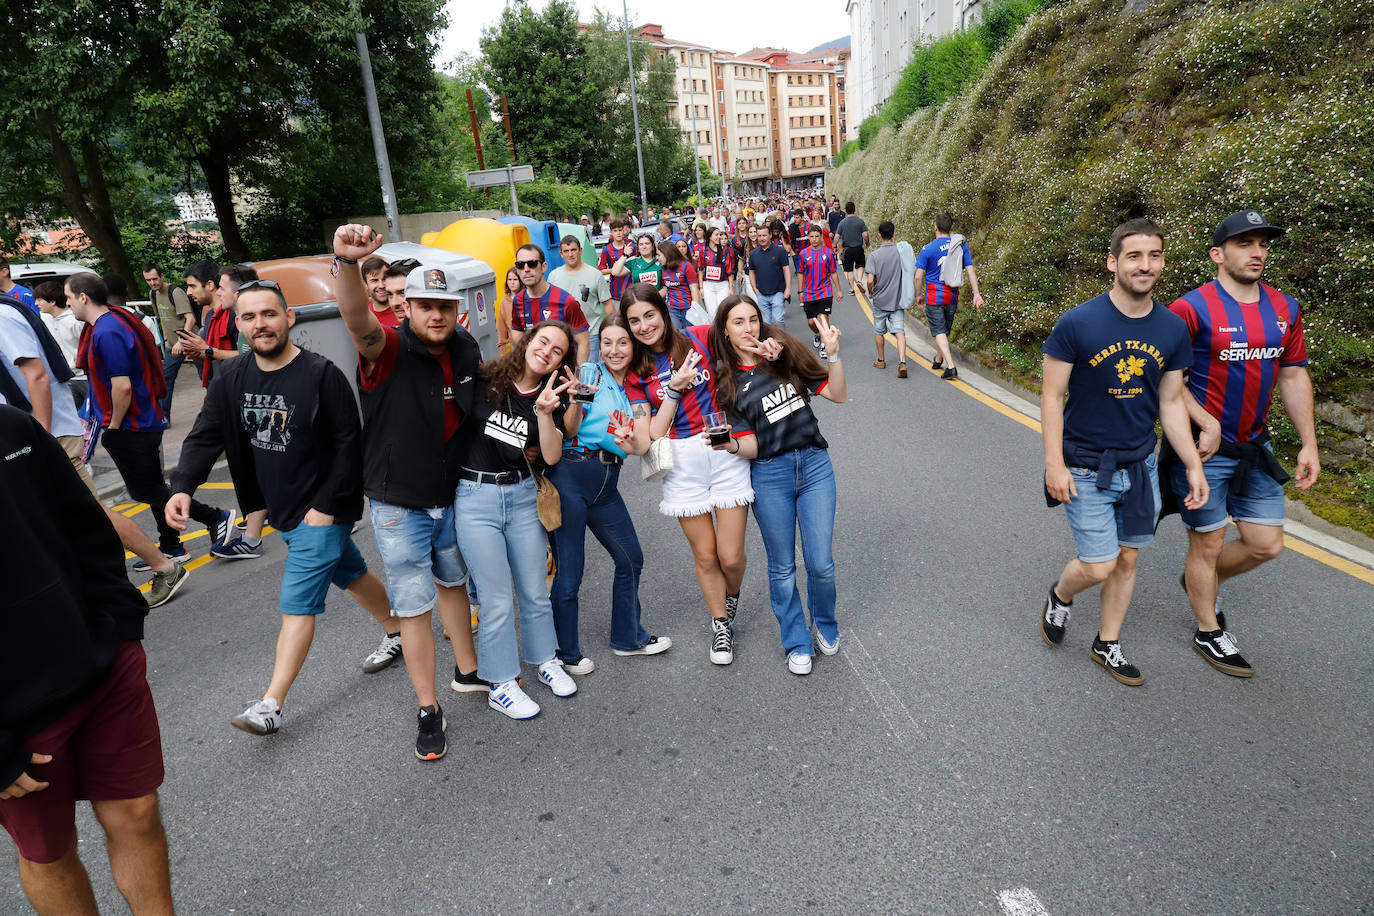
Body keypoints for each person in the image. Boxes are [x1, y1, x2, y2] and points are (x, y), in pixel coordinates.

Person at [167, 278, 395, 738]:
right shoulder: (233, 377)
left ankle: (270, 704)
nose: (260, 324)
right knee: (349, 571)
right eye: (249, 317)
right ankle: (400, 629)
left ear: (288, 318)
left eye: (269, 314)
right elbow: (205, 435)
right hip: (282, 509)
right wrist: (184, 486)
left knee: (296, 604)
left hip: (321, 511)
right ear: (237, 325)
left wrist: (327, 508)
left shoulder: (320, 374)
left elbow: (349, 444)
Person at [0, 405, 175, 916]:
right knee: (50, 853)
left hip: (103, 664)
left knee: (138, 814)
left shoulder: (11, 426)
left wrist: (121, 626)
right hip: (15, 716)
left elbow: (84, 520)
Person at [331, 227, 486, 756]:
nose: (435, 315)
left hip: (453, 495)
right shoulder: (388, 347)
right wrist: (346, 264)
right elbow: (357, 322)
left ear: (455, 308)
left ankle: (468, 672)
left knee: (453, 583)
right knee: (415, 606)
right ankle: (428, 707)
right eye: (425, 305)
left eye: (444, 305)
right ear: (407, 309)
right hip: (399, 503)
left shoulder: (464, 348)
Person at [1038, 218, 1207, 687]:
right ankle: (1061, 595)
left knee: (1128, 560)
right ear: (1113, 262)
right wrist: (1054, 463)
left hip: (1141, 465)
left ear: (1163, 263)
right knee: (1098, 564)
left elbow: (1171, 403)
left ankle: (1106, 642)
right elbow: (1052, 397)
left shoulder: (1172, 328)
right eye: (1134, 256)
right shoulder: (1077, 323)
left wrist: (1192, 463)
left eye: (1154, 256)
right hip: (1086, 466)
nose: (1144, 265)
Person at [1165, 209, 1320, 678]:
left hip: (1257, 447)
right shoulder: (1189, 309)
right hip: (1204, 452)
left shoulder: (1284, 308)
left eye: (1263, 244)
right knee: (1207, 544)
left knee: (1265, 544)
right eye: (1244, 244)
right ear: (1218, 254)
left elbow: (1293, 375)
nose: (1257, 253)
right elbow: (1168, 379)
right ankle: (1207, 629)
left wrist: (1309, 442)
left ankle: (1200, 584)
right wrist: (1203, 419)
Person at [708, 297, 846, 675]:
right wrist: (732, 445)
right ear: (725, 331)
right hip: (770, 474)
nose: (749, 328)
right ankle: (796, 640)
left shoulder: (783, 352)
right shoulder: (728, 384)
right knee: (783, 566)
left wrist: (833, 356)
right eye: (738, 322)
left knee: (821, 564)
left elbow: (837, 394)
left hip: (815, 466)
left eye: (753, 319)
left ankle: (826, 624)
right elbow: (752, 444)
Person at [622, 283, 756, 666]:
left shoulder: (699, 338)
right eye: (635, 321)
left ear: (663, 312)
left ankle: (730, 596)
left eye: (649, 315)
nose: (644, 326)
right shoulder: (637, 372)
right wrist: (674, 391)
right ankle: (720, 625)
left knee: (730, 557)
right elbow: (651, 434)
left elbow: (742, 342)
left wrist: (766, 347)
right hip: (681, 461)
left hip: (723, 448)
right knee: (705, 554)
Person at [455, 320, 581, 720]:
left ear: (561, 362)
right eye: (543, 341)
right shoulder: (485, 377)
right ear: (528, 341)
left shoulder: (550, 398)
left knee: (533, 589)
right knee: (494, 599)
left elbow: (552, 455)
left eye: (557, 350)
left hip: (523, 496)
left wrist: (545, 413)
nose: (546, 351)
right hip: (476, 497)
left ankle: (545, 659)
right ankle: (501, 683)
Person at [66, 273, 235, 566]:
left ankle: (214, 516)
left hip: (131, 423)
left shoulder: (106, 331)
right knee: (153, 485)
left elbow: (122, 386)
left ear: (83, 297)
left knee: (145, 489)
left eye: (68, 298)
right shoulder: (114, 321)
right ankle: (171, 544)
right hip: (142, 420)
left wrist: (114, 426)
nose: (68, 304)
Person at [548, 314, 672, 675]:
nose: (614, 350)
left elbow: (639, 443)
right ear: (599, 346)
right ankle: (564, 653)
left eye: (622, 342)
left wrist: (635, 441)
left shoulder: (632, 388)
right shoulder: (589, 375)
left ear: (633, 346)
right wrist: (573, 402)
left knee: (630, 557)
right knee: (570, 573)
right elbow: (571, 428)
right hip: (572, 474)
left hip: (607, 483)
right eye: (607, 342)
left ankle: (627, 638)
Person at [914, 212, 985, 381]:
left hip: (934, 296)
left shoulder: (928, 248)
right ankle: (938, 359)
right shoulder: (960, 246)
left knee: (939, 330)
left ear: (935, 228)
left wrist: (918, 295)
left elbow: (918, 276)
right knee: (945, 329)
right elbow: (970, 270)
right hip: (952, 296)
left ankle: (951, 367)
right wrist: (976, 293)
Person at [510, 243, 590, 363]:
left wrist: (578, 376)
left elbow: (583, 341)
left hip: (561, 374)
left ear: (544, 267)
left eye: (532, 264)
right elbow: (516, 329)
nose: (526, 269)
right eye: (520, 265)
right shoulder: (517, 300)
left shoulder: (567, 301)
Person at [141, 263, 195, 420]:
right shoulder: (153, 294)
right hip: (173, 346)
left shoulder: (175, 292)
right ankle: (164, 417)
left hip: (191, 341)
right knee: (165, 379)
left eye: (155, 279)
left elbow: (190, 318)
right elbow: (163, 319)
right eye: (148, 280)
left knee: (208, 378)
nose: (152, 283)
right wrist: (165, 339)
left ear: (162, 276)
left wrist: (182, 340)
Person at [549, 235, 613, 362]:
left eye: (573, 250)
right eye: (566, 251)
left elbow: (608, 304)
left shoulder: (595, 275)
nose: (570, 254)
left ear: (580, 251)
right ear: (561, 254)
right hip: (564, 334)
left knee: (588, 373)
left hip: (591, 333)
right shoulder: (553, 277)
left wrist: (612, 329)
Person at [32, 280, 86, 406]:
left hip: (84, 378)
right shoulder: (46, 320)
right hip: (65, 378)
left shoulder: (75, 322)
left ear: (52, 301)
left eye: (40, 300)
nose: (36, 304)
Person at [866, 221, 908, 377]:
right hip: (897, 299)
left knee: (879, 330)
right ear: (894, 234)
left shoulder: (874, 256)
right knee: (899, 331)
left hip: (880, 300)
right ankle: (902, 362)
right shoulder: (900, 253)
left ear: (879, 236)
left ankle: (881, 360)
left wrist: (871, 292)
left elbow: (870, 280)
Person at [797, 225, 844, 358]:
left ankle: (825, 344)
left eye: (817, 236)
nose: (814, 239)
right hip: (809, 292)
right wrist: (800, 292)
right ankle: (818, 334)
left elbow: (833, 272)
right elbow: (800, 273)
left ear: (821, 237)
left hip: (825, 291)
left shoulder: (828, 253)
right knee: (812, 322)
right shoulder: (803, 254)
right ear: (808, 238)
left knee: (824, 317)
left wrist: (839, 290)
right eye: (811, 236)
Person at [747, 224, 792, 328]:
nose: (762, 238)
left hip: (777, 292)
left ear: (770, 235)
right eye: (759, 236)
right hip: (761, 293)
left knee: (778, 320)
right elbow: (751, 272)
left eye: (764, 235)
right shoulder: (753, 254)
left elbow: (786, 270)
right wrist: (755, 289)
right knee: (765, 323)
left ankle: (781, 343)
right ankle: (769, 343)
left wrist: (788, 289)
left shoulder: (780, 251)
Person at [660, 241, 703, 331]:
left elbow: (694, 288)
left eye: (659, 255)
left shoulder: (686, 266)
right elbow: (665, 289)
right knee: (676, 335)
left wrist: (695, 309)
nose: (658, 258)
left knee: (690, 335)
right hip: (672, 309)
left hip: (688, 308)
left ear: (667, 254)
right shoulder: (663, 269)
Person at [698, 227, 735, 319]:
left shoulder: (725, 250)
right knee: (712, 313)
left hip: (722, 285)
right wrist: (701, 287)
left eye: (720, 234)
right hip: (708, 286)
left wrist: (731, 288)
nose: (719, 237)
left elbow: (729, 270)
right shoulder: (703, 250)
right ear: (710, 237)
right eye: (717, 235)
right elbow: (700, 270)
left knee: (723, 311)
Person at [599, 217, 636, 306]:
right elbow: (601, 270)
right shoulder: (606, 250)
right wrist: (617, 270)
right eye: (615, 231)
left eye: (620, 230)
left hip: (633, 291)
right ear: (611, 232)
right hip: (616, 292)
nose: (618, 233)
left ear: (624, 231)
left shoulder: (632, 246)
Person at [836, 202, 870, 290]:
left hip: (847, 249)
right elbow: (865, 235)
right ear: (854, 210)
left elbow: (837, 236)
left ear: (846, 211)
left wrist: (833, 246)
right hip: (858, 248)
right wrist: (867, 243)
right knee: (860, 265)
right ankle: (859, 280)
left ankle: (852, 288)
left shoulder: (842, 223)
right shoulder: (860, 221)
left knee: (849, 270)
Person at [360, 254, 400, 329]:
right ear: (365, 284)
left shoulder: (404, 310)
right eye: (374, 280)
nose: (381, 286)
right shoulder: (364, 317)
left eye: (384, 279)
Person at [496, 266, 520, 354]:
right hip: (514, 345)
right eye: (509, 280)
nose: (512, 283)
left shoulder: (526, 297)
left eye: (515, 279)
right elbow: (501, 324)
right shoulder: (505, 300)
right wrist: (502, 343)